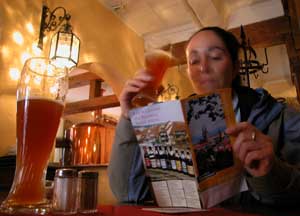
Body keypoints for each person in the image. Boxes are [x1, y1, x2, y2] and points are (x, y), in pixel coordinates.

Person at [108, 26, 300, 206]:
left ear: (235, 68)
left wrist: (273, 171)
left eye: (215, 57)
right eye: (194, 61)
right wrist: (128, 118)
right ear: (189, 72)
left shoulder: (280, 116)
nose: (203, 67)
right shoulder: (173, 123)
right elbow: (128, 193)